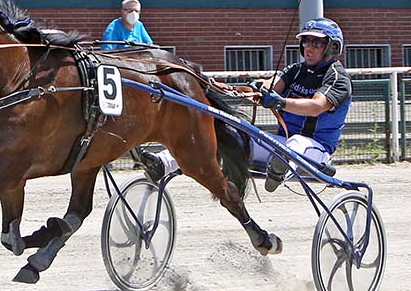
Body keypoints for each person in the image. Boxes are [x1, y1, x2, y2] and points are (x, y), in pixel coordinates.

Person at [140, 17, 352, 193]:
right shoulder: (296, 70)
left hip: (315, 152)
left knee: (296, 143)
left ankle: (280, 170)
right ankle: (163, 162)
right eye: (305, 42)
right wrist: (258, 89)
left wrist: (281, 102)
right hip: (281, 145)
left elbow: (317, 106)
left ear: (332, 47)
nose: (308, 48)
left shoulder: (337, 77)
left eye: (316, 43)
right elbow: (271, 87)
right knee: (225, 134)